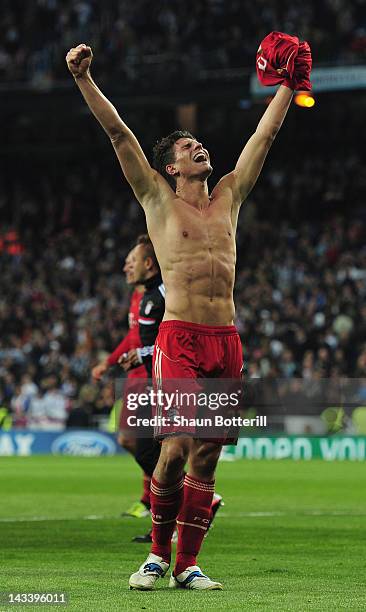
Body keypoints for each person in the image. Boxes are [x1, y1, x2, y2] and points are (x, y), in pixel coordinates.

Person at [66, 39, 307, 591]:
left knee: (207, 459)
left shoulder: (230, 195)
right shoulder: (156, 199)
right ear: (169, 166)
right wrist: (83, 79)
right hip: (180, 336)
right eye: (188, 146)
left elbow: (263, 137)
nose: (199, 147)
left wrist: (290, 87)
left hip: (227, 339)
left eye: (199, 143)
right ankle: (155, 555)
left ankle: (187, 564)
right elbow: (119, 135)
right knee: (173, 450)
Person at [92, 249, 150, 519]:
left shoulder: (158, 297)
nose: (126, 267)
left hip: (149, 377)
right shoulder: (137, 296)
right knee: (134, 440)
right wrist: (109, 362)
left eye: (131, 263)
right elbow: (133, 336)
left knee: (137, 440)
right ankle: (154, 497)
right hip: (134, 376)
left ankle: (159, 496)